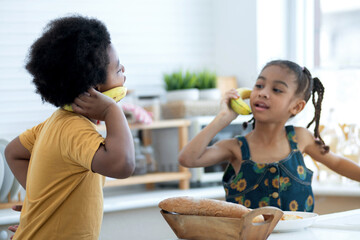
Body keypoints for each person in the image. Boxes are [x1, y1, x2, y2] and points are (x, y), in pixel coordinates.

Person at [4, 15, 135, 239]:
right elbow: (123, 165)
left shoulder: (56, 122)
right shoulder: (75, 129)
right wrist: (111, 110)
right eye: (117, 69)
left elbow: (13, 152)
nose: (123, 68)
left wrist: (40, 204)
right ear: (94, 88)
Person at [179, 60, 360, 212]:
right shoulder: (235, 147)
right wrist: (222, 118)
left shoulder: (300, 138)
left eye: (277, 90)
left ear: (296, 107)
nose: (263, 92)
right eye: (259, 85)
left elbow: (336, 162)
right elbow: (188, 159)